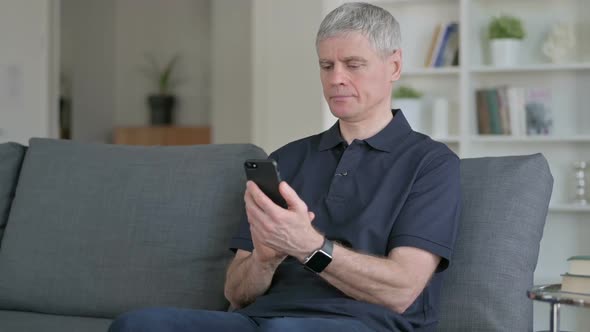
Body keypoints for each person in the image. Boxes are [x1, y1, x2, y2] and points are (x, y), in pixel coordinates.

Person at [108, 2, 460, 332]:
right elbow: (236, 294)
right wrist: (265, 258)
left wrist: (310, 247)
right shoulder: (287, 159)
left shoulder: (431, 164)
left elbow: (401, 291)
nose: (336, 78)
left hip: (358, 324)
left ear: (394, 66)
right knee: (139, 324)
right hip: (262, 320)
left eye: (353, 64)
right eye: (326, 66)